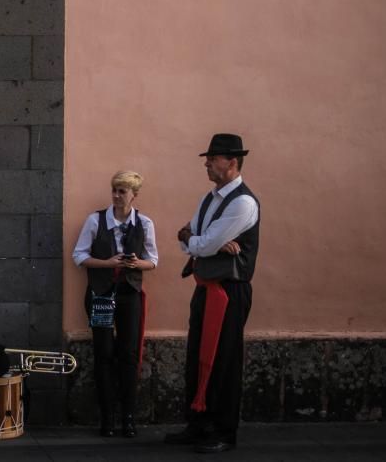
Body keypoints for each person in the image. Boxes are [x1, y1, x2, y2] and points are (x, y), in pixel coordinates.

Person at [165, 134, 260, 454]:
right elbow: (185, 239)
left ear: (232, 162)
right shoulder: (209, 199)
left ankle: (223, 431)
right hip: (205, 287)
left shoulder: (244, 202)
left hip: (229, 292)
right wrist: (207, 242)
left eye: (213, 158)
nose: (206, 162)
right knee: (197, 356)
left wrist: (203, 242)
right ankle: (198, 424)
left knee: (224, 361)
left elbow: (197, 243)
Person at [72, 170, 158, 438]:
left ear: (134, 195)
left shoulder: (144, 223)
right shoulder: (95, 220)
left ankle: (128, 417)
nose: (117, 196)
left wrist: (135, 263)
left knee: (129, 354)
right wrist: (107, 263)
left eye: (122, 191)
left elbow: (153, 261)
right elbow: (79, 255)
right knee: (104, 352)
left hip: (129, 294)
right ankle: (107, 418)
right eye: (115, 190)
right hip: (101, 294)